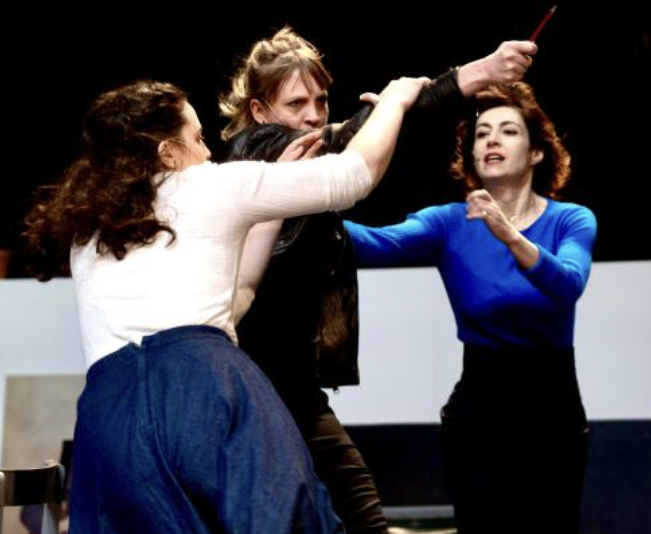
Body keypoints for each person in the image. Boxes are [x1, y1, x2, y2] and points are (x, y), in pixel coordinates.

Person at [22, 75, 427, 534]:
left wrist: (271, 210)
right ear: (167, 153)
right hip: (201, 386)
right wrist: (395, 102)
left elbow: (234, 299)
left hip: (110, 415)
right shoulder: (209, 184)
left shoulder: (88, 231)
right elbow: (355, 174)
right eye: (197, 139)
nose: (209, 152)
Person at [218, 27, 537, 533]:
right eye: (296, 103)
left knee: (356, 517)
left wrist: (461, 81)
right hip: (249, 386)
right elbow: (358, 142)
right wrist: (434, 88)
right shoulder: (254, 152)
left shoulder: (305, 163)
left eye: (321, 100)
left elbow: (369, 131)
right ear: (259, 111)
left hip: (293, 387)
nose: (313, 115)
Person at [344, 82, 596, 534]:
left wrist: (508, 234)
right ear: (473, 154)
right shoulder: (448, 222)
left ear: (537, 153)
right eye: (482, 134)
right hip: (480, 406)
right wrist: (294, 202)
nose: (492, 140)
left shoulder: (571, 219)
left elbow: (567, 285)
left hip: (551, 406)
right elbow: (373, 244)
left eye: (508, 131)